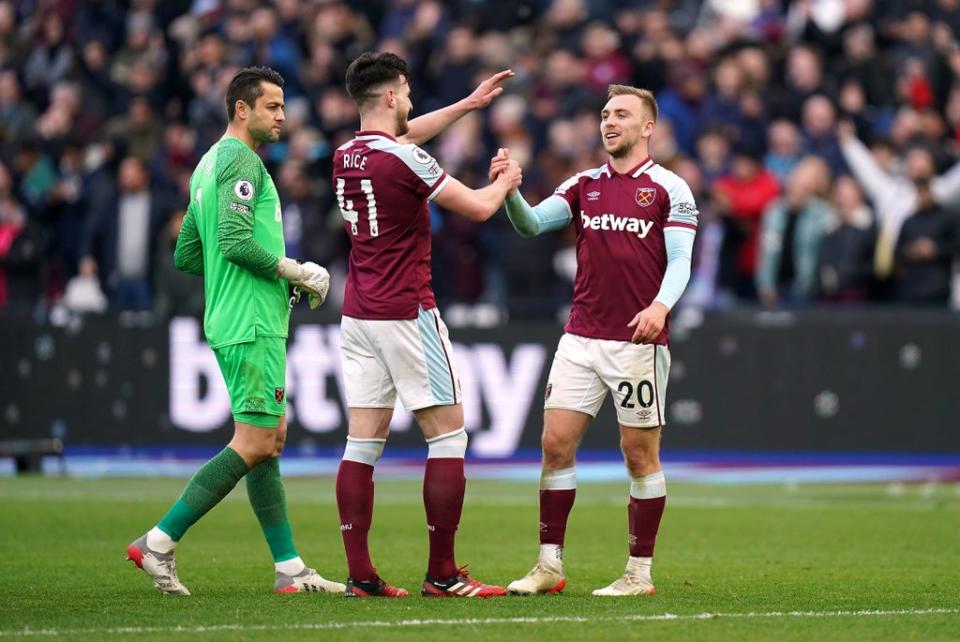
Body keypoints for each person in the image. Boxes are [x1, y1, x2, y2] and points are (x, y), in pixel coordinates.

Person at [127, 66, 343, 596]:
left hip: (235, 316)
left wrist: (245, 281)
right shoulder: (242, 159)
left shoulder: (206, 165)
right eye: (273, 106)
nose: (283, 117)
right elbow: (236, 241)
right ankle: (158, 541)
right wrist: (293, 271)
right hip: (251, 323)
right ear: (241, 109)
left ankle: (289, 568)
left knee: (270, 438)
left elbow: (187, 253)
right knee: (256, 439)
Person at [490, 84, 698, 596]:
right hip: (580, 337)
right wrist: (510, 191)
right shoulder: (584, 184)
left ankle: (638, 573)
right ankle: (548, 566)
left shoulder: (671, 189)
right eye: (605, 114)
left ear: (647, 127)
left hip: (637, 343)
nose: (609, 122)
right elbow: (533, 225)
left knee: (637, 455)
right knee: (554, 445)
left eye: (622, 114)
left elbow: (681, 261)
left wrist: (660, 306)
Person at [332, 52, 520, 598]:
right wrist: (507, 181)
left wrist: (469, 104)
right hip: (408, 312)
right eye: (407, 92)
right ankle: (443, 573)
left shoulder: (345, 154)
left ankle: (360, 574)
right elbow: (480, 209)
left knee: (361, 445)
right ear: (391, 96)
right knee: (448, 436)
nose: (412, 102)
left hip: (359, 313)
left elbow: (405, 134)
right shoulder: (406, 161)